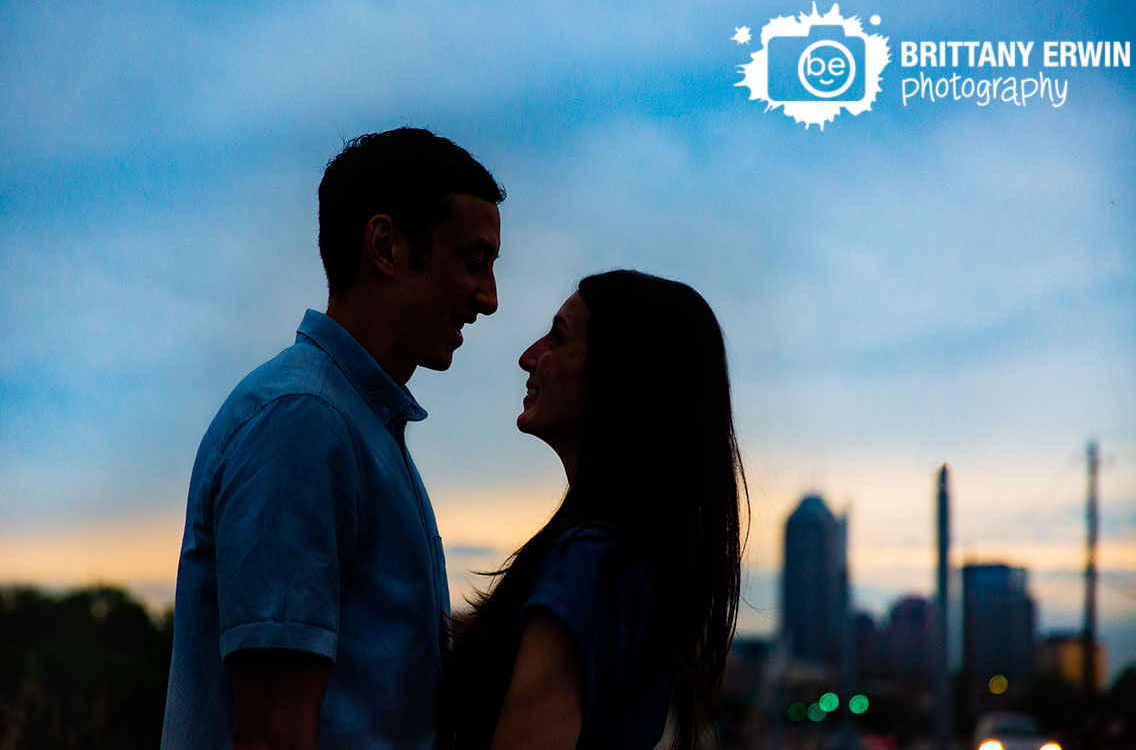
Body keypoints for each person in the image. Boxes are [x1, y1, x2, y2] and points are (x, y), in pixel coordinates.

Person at [160, 127, 505, 749]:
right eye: (472, 260)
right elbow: (273, 732)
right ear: (385, 245)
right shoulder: (303, 422)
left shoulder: (352, 420)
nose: (489, 297)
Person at [441, 270, 748, 749]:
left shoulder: (588, 566)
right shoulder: (640, 564)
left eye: (557, 338)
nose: (528, 356)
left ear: (617, 377)